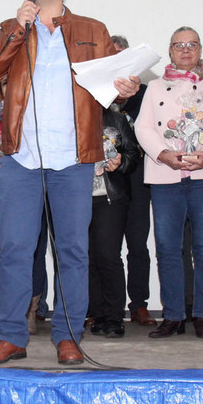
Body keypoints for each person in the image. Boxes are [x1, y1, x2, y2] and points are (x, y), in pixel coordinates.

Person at [0, 0, 139, 366]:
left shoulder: (91, 29)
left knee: (73, 251)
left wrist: (125, 88)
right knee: (14, 248)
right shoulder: (13, 27)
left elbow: (113, 86)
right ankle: (12, 336)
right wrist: (17, 28)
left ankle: (68, 336)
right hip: (21, 157)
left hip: (74, 156)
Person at [136, 27, 203, 339]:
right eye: (179, 45)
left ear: (200, 49)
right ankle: (173, 316)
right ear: (171, 50)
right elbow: (143, 128)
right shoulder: (154, 87)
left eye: (192, 44)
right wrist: (163, 154)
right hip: (165, 177)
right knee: (167, 248)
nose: (186, 50)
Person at [0, 81, 51, 337]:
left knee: (34, 253)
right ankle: (3, 313)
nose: (11, 86)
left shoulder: (39, 113)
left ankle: (30, 312)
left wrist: (12, 174)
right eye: (6, 82)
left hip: (32, 193)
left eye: (15, 81)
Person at [111, 35, 156, 327]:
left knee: (138, 245)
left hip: (139, 178)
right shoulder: (94, 95)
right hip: (106, 179)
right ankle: (105, 307)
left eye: (122, 56)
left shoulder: (148, 93)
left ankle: (139, 304)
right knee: (105, 248)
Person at [87, 106, 140, 338]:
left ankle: (114, 317)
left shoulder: (116, 119)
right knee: (86, 258)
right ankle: (97, 314)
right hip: (75, 198)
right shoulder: (65, 115)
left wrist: (121, 161)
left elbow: (133, 154)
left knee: (108, 255)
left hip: (110, 196)